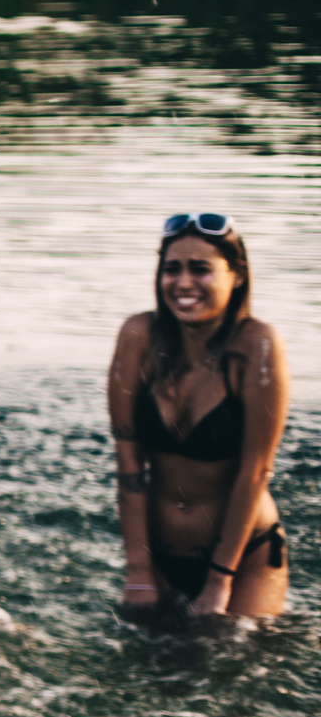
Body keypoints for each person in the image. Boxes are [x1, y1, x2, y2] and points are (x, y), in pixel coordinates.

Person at [107, 213, 291, 619]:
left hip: (244, 559)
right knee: (142, 670)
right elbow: (128, 462)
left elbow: (255, 471)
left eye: (201, 269)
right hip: (159, 553)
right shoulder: (140, 337)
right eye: (172, 269)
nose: (183, 283)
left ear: (236, 276)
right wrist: (138, 570)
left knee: (228, 662)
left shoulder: (256, 345)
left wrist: (218, 581)